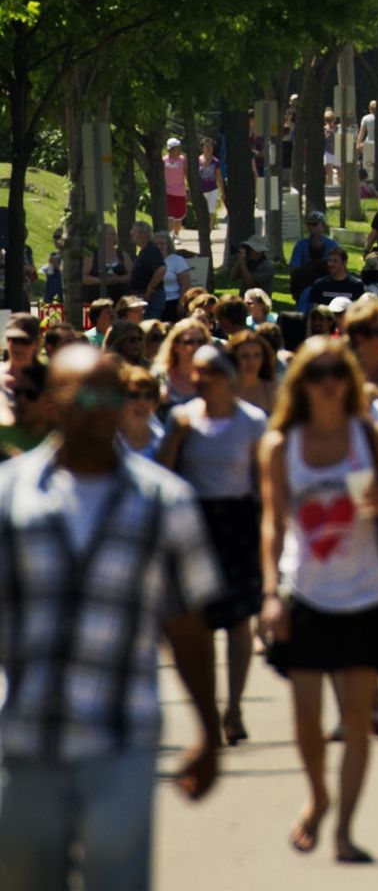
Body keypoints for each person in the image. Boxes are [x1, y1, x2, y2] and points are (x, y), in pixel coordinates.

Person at [0, 346, 223, 888]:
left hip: (120, 734)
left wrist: (209, 732)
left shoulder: (164, 502)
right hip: (24, 735)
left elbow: (187, 628)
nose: (101, 410)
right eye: (86, 396)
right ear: (53, 403)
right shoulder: (10, 495)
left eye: (112, 396)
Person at [259, 338, 378, 862]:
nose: (328, 382)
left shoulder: (371, 435)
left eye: (336, 372)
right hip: (305, 589)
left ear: (349, 380)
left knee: (354, 719)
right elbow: (272, 522)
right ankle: (318, 797)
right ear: (300, 382)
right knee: (305, 718)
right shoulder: (282, 445)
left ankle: (346, 830)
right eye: (316, 373)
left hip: (365, 591)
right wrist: (269, 594)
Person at [158, 345, 270, 747]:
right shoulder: (182, 417)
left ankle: (234, 707)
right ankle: (205, 708)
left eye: (211, 373)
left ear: (228, 378)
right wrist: (178, 437)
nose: (202, 380)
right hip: (195, 523)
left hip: (238, 521)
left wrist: (268, 525)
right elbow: (163, 474)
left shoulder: (252, 421)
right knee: (198, 624)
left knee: (239, 620)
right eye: (198, 373)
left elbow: (264, 479)